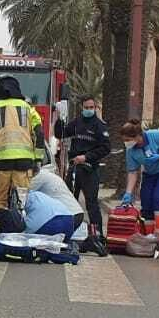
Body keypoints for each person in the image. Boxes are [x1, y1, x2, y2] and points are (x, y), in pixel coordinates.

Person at [0, 75, 43, 229]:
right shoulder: (28, 108)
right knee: (23, 200)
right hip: (24, 161)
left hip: (1, 162)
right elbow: (39, 134)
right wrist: (38, 159)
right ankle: (23, 231)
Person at [55, 95, 110, 238]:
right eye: (86, 107)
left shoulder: (100, 126)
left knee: (91, 203)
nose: (89, 110)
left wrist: (86, 157)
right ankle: (67, 233)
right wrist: (59, 118)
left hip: (90, 169)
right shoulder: (76, 122)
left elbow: (106, 148)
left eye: (91, 107)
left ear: (95, 108)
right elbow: (60, 134)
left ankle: (97, 236)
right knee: (68, 200)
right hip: (74, 168)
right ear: (82, 107)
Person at [117, 120, 159, 238]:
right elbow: (132, 172)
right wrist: (128, 193)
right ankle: (148, 234)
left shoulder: (154, 135)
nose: (126, 143)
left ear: (137, 136)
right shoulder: (131, 151)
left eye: (127, 140)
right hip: (150, 173)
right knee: (146, 201)